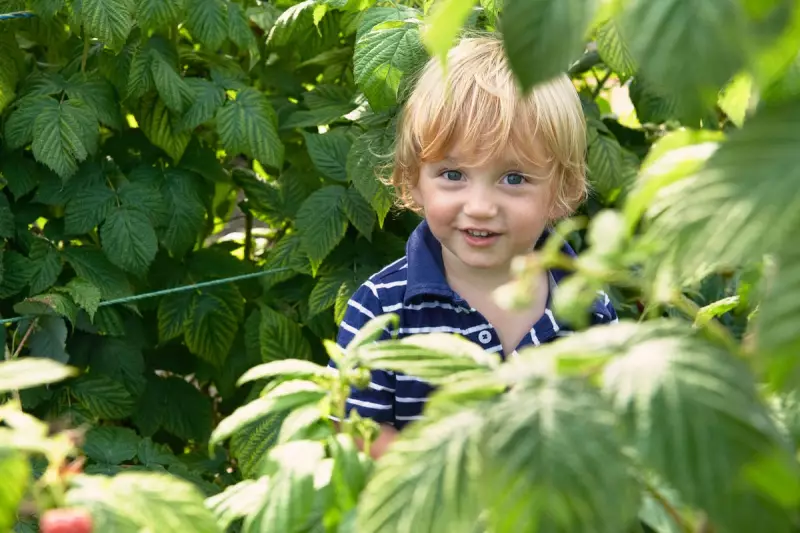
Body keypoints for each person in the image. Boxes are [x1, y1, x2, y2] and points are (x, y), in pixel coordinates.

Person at [332, 35, 617, 458]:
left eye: (514, 178)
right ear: (413, 179)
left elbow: (607, 429)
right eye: (453, 174)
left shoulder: (586, 306)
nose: (480, 207)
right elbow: (353, 430)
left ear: (563, 190)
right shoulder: (381, 308)